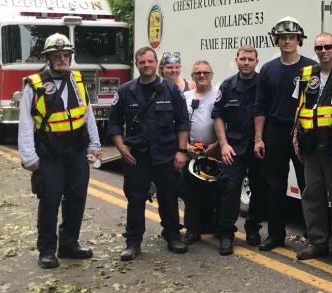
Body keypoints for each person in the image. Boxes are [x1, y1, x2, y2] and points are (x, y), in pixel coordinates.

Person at [18, 33, 101, 269]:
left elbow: (87, 112)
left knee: (77, 197)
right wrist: (28, 156)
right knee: (50, 199)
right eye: (57, 55)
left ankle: (69, 244)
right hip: (49, 149)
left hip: (76, 147)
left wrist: (94, 143)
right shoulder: (34, 84)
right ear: (48, 57)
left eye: (66, 55)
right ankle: (46, 250)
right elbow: (25, 122)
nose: (62, 59)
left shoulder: (77, 78)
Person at [108, 46, 191, 261]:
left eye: (150, 61)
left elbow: (183, 121)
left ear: (157, 64)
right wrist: (121, 147)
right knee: (135, 200)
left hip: (166, 153)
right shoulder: (125, 91)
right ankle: (133, 242)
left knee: (169, 197)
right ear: (137, 64)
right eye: (142, 62)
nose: (146, 65)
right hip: (137, 155)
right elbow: (114, 123)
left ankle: (172, 235)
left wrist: (182, 151)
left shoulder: (171, 90)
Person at [254, 18, 315, 251]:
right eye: (283, 37)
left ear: (299, 39)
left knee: (307, 185)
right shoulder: (268, 69)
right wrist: (259, 138)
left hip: (303, 131)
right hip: (276, 131)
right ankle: (275, 235)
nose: (287, 41)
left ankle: (314, 236)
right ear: (276, 40)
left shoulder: (311, 68)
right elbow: (260, 106)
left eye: (291, 37)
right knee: (274, 185)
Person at [293, 33, 332, 263]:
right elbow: (299, 107)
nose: (323, 51)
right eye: (319, 48)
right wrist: (295, 137)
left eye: (328, 47)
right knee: (312, 194)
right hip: (310, 144)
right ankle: (317, 241)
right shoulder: (306, 73)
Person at [213, 46, 265, 255]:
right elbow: (218, 115)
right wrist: (223, 144)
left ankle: (253, 228)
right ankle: (226, 234)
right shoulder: (227, 86)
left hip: (258, 146)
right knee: (230, 189)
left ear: (256, 61)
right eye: (242, 59)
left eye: (250, 59)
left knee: (260, 190)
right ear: (236, 60)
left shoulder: (264, 84)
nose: (246, 63)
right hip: (233, 147)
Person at [180, 59, 219, 247]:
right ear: (193, 76)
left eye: (205, 72)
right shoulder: (185, 97)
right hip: (191, 153)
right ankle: (192, 229)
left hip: (214, 152)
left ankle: (213, 225)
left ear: (211, 74)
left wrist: (218, 144)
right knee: (191, 194)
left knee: (214, 193)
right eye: (198, 73)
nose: (202, 75)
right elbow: (178, 123)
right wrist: (184, 146)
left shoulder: (220, 94)